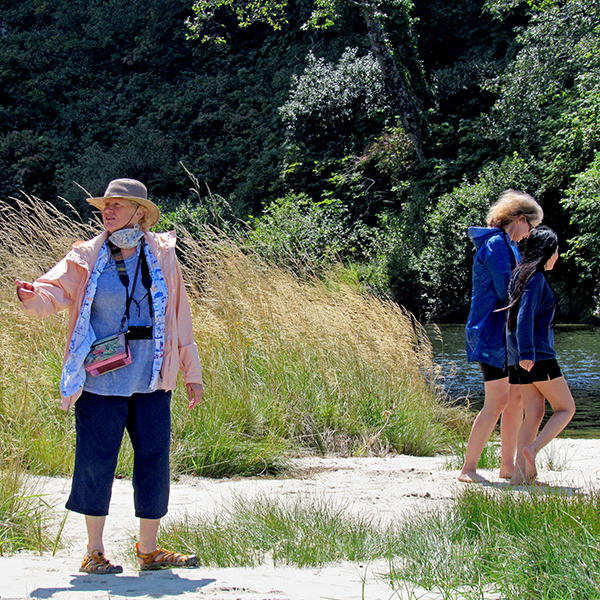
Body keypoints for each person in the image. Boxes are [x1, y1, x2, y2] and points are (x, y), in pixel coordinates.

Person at [15, 178, 204, 573]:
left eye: (119, 204)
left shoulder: (163, 255)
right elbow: (55, 290)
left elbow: (179, 316)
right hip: (101, 379)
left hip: (152, 378)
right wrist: (33, 296)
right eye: (106, 204)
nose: (109, 210)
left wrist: (192, 372)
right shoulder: (87, 255)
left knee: (154, 459)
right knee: (95, 461)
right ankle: (94, 552)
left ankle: (148, 550)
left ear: (140, 213)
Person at [459, 190, 543, 483]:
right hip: (490, 333)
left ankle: (508, 467)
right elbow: (505, 290)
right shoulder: (496, 245)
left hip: (503, 333)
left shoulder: (508, 244)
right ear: (520, 219)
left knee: (516, 399)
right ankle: (468, 468)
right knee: (496, 401)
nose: (529, 235)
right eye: (530, 227)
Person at [505, 226, 575, 484]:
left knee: (533, 413)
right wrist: (527, 353)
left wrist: (517, 356)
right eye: (557, 251)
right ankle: (532, 450)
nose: (558, 256)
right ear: (547, 252)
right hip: (537, 356)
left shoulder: (518, 275)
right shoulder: (535, 279)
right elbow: (523, 318)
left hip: (521, 358)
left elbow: (510, 321)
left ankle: (521, 475)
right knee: (566, 408)